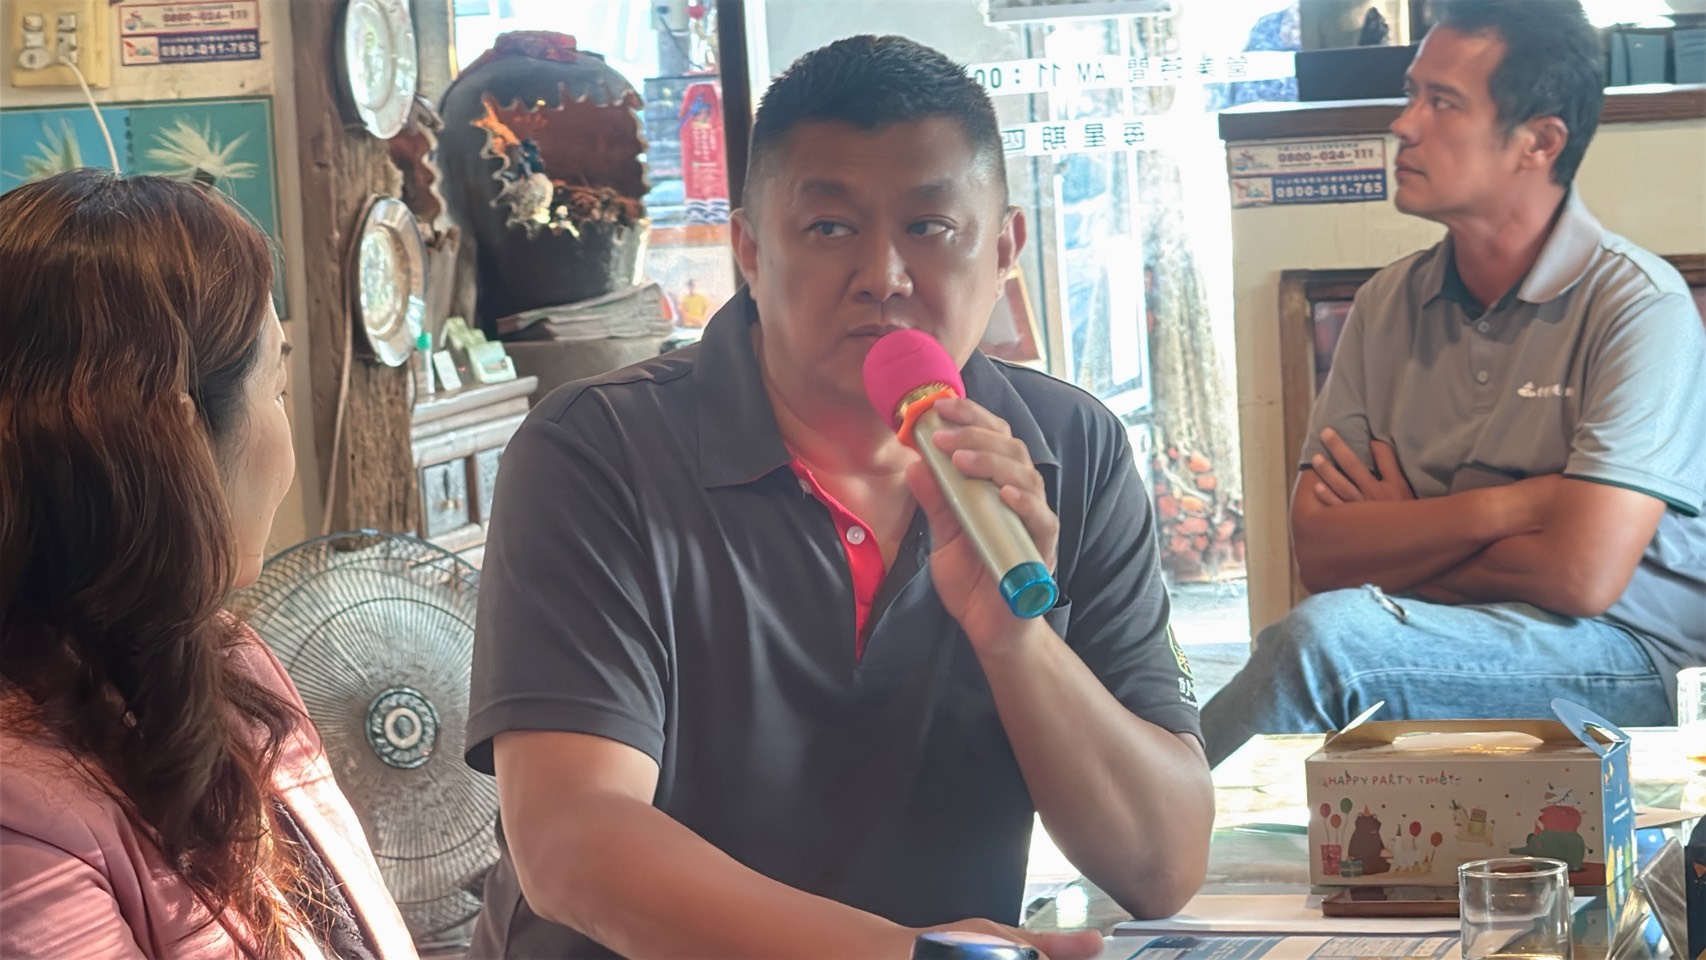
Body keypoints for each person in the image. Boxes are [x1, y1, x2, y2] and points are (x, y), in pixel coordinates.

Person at [465, 35, 1213, 959]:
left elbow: (1161, 864)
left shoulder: (1070, 450)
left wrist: (1016, 641)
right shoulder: (599, 450)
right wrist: (904, 956)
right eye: (829, 228)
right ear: (748, 249)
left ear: (1005, 250)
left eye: (930, 227)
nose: (883, 277)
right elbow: (575, 844)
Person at [1201, 0, 1705, 768]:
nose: (1403, 124)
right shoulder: (1387, 303)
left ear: (1540, 142)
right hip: (1432, 629)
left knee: (1329, 649)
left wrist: (1406, 535)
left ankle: (1150, 827)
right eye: (1412, 94)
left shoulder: (1639, 307)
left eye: (1443, 102)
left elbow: (1581, 576)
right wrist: (1521, 505)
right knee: (1335, 635)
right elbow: (1325, 555)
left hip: (1624, 657)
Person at [0, 170, 417, 960]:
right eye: (279, 390)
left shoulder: (227, 657)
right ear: (183, 445)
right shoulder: (22, 832)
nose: (286, 447)